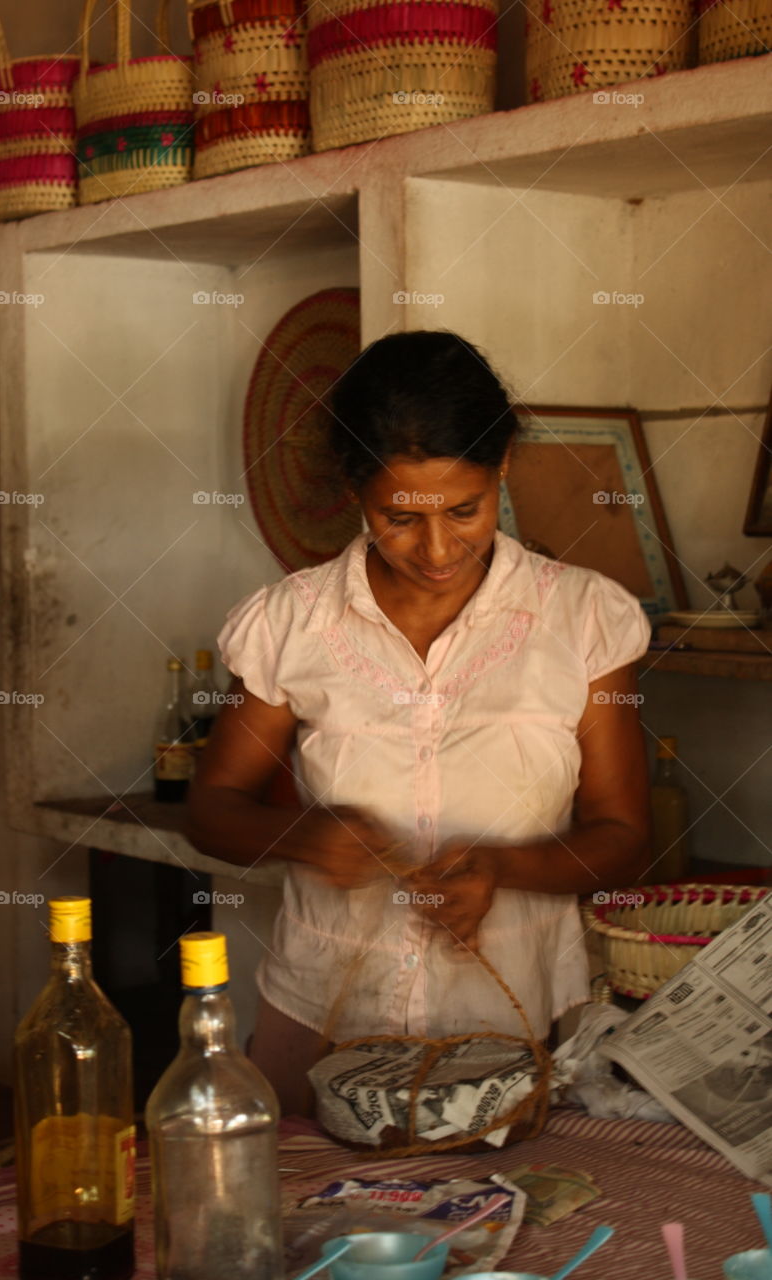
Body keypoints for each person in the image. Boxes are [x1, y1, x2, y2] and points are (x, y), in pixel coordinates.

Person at [186, 331, 652, 1117]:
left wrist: (501, 872)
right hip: (324, 1014)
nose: (437, 550)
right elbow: (210, 811)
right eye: (398, 517)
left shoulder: (582, 619)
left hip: (512, 1018)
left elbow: (623, 833)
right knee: (313, 1221)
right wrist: (308, 835)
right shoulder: (290, 623)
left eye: (464, 511)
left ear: (500, 469)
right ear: (353, 490)